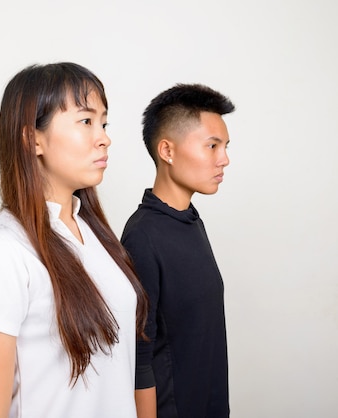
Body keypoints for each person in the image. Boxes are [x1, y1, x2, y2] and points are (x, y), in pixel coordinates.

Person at [0, 62, 149, 418]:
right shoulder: (1, 253)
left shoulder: (95, 236)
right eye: (86, 121)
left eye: (104, 123)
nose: (104, 137)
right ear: (33, 139)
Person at [121, 83, 235, 418]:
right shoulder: (143, 237)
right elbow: (139, 356)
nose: (224, 159)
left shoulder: (190, 220)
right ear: (167, 151)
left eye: (225, 146)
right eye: (212, 146)